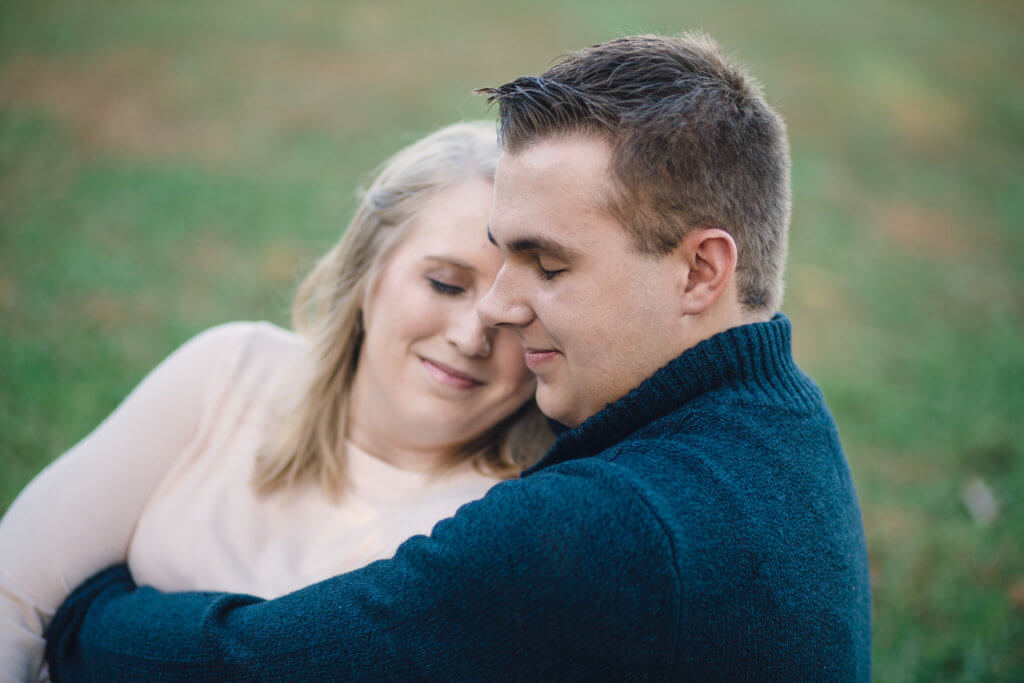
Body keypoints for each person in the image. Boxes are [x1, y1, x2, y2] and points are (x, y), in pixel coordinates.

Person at [42, 32, 872, 680]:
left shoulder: (603, 530)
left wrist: (83, 615)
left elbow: (246, 669)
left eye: (549, 265)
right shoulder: (786, 425)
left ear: (701, 270)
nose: (500, 310)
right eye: (462, 272)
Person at [0, 121, 555, 681]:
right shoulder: (229, 372)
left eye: (509, 314)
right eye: (444, 283)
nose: (469, 337)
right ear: (369, 273)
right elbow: (13, 596)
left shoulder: (508, 522)